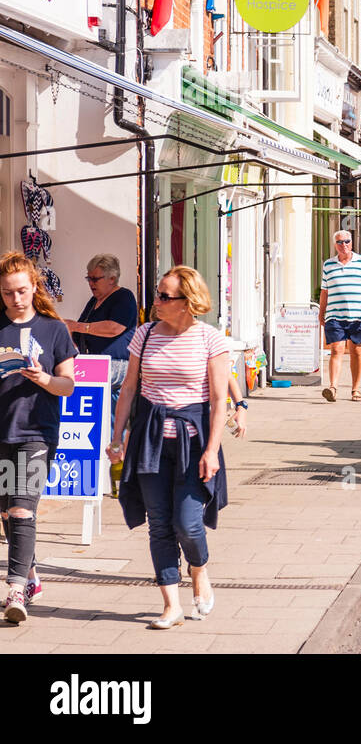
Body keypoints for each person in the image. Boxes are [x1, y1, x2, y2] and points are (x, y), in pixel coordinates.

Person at [108, 266, 243, 629]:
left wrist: (212, 450)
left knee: (188, 524)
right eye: (158, 293)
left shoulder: (210, 339)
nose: (157, 301)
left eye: (165, 296)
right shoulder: (145, 334)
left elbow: (218, 401)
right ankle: (171, 604)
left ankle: (198, 567)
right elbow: (129, 390)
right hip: (150, 440)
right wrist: (118, 436)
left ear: (188, 302)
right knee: (160, 525)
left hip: (192, 442)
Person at [0, 253, 76, 623]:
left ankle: (14, 589)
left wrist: (44, 378)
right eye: (8, 292)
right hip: (2, 431)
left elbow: (68, 384)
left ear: (34, 288)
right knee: (5, 511)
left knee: (22, 508)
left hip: (36, 432)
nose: (16, 299)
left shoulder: (53, 329)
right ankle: (29, 575)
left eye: (22, 291)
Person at [66, 254, 138, 418]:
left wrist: (76, 326)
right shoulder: (93, 301)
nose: (91, 284)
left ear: (112, 279)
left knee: (110, 420)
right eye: (88, 278)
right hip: (93, 365)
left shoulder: (123, 296)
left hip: (115, 365)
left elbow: (114, 327)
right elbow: (78, 331)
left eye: (95, 279)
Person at [318, 230, 361, 403]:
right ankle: (333, 387)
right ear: (335, 245)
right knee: (336, 348)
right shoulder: (328, 265)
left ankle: (355, 389)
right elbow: (325, 291)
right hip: (335, 314)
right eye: (340, 242)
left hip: (358, 316)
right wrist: (321, 311)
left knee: (356, 350)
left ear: (351, 242)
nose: (344, 245)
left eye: (347, 241)